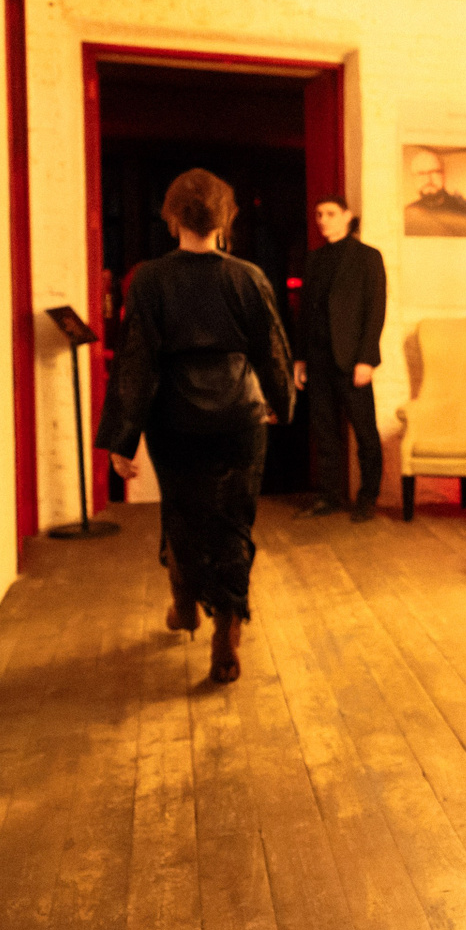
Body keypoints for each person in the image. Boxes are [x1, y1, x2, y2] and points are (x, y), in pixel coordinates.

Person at [96, 169, 294, 685]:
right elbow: (272, 348)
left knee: (183, 515)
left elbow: (137, 362)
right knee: (235, 521)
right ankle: (227, 626)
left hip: (175, 416)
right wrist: (280, 402)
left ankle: (185, 605)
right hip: (240, 414)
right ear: (225, 221)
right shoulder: (248, 276)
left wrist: (123, 439)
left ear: (172, 219)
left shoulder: (151, 280)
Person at [295, 196, 387, 521]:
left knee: (365, 432)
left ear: (347, 216)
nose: (323, 219)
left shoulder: (367, 257)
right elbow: (306, 312)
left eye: (330, 213)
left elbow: (375, 311)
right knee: (325, 432)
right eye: (319, 214)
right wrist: (300, 359)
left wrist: (367, 359)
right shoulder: (314, 259)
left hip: (352, 360)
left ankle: (368, 497)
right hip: (318, 358)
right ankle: (329, 496)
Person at [403, 148, 466, 236]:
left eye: (435, 172)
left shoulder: (464, 211)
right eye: (421, 174)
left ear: (444, 175)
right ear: (414, 178)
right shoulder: (406, 215)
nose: (428, 180)